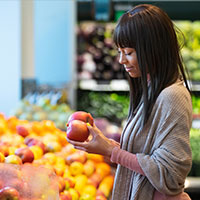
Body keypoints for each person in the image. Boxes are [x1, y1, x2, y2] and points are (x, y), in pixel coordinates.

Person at [67, 4, 193, 200]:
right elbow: (147, 154)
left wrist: (112, 152)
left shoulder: (172, 96)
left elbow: (169, 174)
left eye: (128, 52)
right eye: (119, 52)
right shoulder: (152, 89)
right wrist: (108, 145)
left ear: (153, 49)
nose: (121, 60)